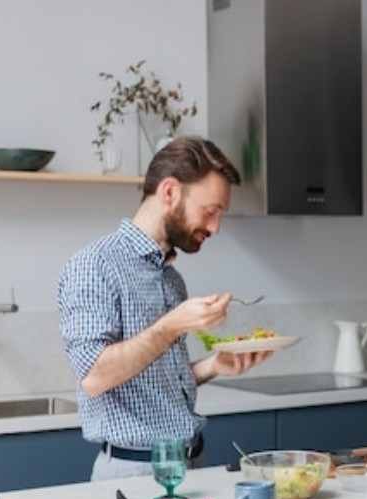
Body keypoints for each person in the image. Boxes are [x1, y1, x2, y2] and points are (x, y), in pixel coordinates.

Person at [58, 136, 271, 481]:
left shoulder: (170, 278)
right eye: (210, 211)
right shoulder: (94, 265)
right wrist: (172, 325)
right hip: (134, 471)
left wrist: (214, 365)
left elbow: (154, 384)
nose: (215, 227)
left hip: (192, 463)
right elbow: (94, 377)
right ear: (170, 192)